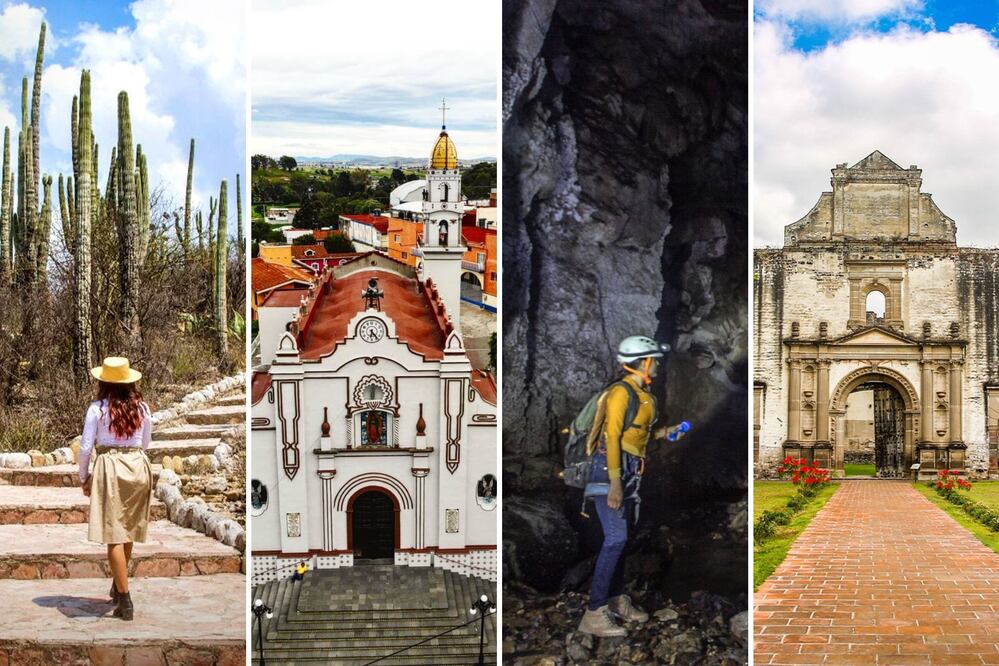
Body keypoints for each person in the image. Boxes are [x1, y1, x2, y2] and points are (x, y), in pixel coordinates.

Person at [577, 336, 688, 638]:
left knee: (621, 540)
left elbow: (637, 436)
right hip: (608, 470)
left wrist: (666, 433)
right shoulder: (620, 393)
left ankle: (615, 601)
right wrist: (614, 482)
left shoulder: (643, 394)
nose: (658, 365)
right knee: (615, 538)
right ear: (644, 362)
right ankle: (594, 612)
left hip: (629, 471)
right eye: (655, 360)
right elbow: (611, 438)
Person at [79, 357, 153, 622]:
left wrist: (83, 477)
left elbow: (86, 446)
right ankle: (118, 583)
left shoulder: (97, 409)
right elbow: (146, 442)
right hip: (137, 466)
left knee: (113, 534)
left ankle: (126, 599)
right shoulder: (142, 408)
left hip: (110, 465)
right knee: (129, 529)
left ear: (103, 382)